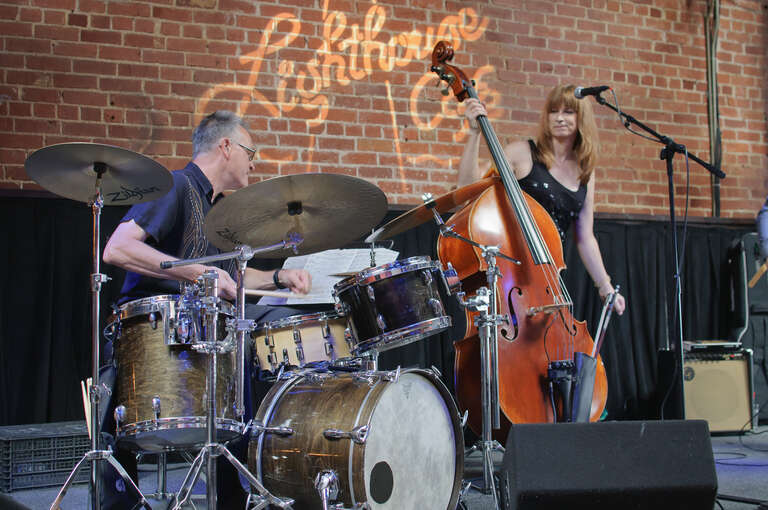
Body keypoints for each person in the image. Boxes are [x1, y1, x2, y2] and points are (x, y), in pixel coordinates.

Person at [100, 110, 312, 508]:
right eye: (251, 151)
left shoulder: (219, 214)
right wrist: (199, 275)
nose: (255, 161)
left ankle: (240, 485)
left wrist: (279, 278)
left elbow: (231, 281)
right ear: (226, 146)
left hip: (205, 335)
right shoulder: (176, 186)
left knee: (277, 327)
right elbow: (118, 247)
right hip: (155, 333)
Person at [457, 84, 626, 315]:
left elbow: (585, 236)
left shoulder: (585, 170)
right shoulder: (522, 153)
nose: (559, 117)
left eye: (568, 112)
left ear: (582, 118)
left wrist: (605, 286)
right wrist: (475, 133)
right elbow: (467, 192)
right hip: (510, 270)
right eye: (553, 111)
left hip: (549, 277)